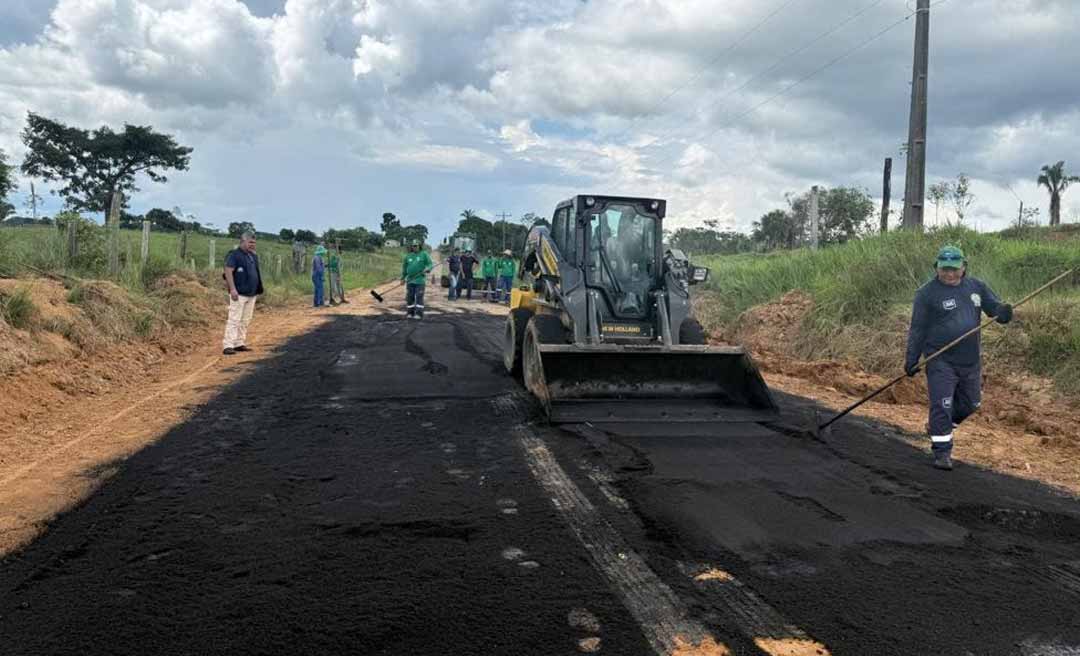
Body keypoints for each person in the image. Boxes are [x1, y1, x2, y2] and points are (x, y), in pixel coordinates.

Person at [904, 245, 1013, 471]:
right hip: (940, 359)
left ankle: (937, 426)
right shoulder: (926, 294)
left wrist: (1003, 312)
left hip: (970, 360)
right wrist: (912, 358)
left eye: (954, 269)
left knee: (971, 404)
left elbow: (994, 309)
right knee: (942, 404)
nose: (950, 274)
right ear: (937, 268)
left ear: (964, 267)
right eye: (945, 269)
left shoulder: (976, 287)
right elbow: (917, 329)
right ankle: (942, 452)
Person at [222, 231, 264, 355]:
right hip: (239, 293)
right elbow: (228, 271)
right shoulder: (234, 255)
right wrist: (232, 289)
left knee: (246, 320)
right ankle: (228, 345)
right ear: (243, 241)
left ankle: (239, 343)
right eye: (250, 242)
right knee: (234, 319)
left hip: (251, 293)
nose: (253, 245)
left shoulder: (252, 256)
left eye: (254, 243)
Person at [402, 241, 433, 320]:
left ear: (419, 246)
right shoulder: (408, 256)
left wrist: (428, 269)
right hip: (410, 280)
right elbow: (404, 268)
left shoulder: (424, 254)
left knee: (419, 297)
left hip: (420, 281)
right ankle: (410, 313)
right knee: (410, 297)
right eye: (413, 246)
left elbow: (430, 264)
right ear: (411, 247)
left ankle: (419, 314)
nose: (415, 247)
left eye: (416, 246)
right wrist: (402, 278)